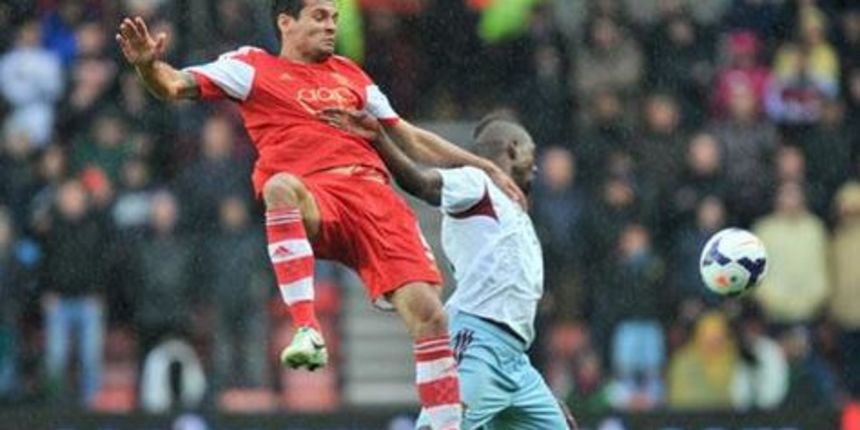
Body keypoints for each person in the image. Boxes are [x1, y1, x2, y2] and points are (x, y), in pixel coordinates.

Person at [116, 1, 523, 427]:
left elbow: (409, 137)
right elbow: (173, 85)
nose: (331, 26)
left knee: (432, 318)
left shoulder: (351, 74)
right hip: (316, 196)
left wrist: (485, 166)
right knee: (279, 188)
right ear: (286, 22)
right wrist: (147, 66)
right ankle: (307, 330)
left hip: (375, 201)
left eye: (334, 18)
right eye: (319, 17)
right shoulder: (251, 67)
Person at [321, 109, 573, 429]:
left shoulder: (512, 206)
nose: (535, 166)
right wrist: (381, 140)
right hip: (478, 341)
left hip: (516, 360)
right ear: (512, 149)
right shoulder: (476, 182)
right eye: (531, 154)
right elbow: (423, 184)